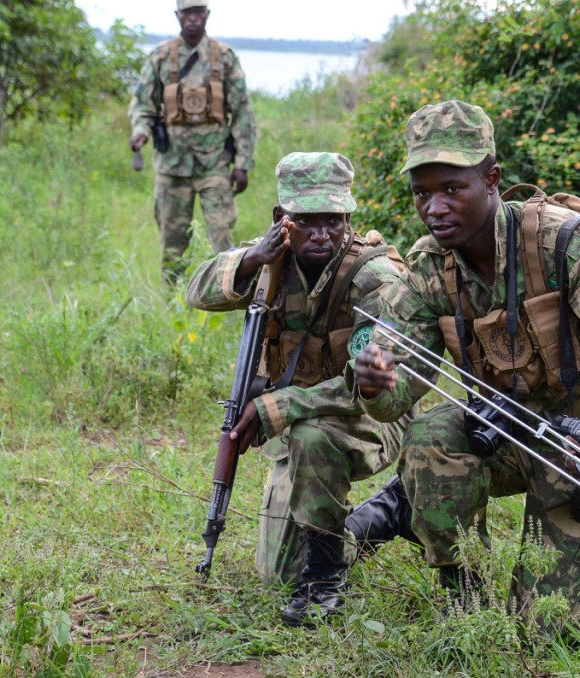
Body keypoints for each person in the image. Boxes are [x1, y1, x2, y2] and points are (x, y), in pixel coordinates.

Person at [349, 100, 580, 639]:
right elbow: (398, 390)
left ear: (491, 179)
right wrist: (375, 385)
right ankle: (462, 592)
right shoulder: (428, 271)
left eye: (452, 189)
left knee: (550, 632)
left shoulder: (571, 246)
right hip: (510, 432)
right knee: (428, 436)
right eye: (422, 193)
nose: (434, 207)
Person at [186, 152, 412, 627]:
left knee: (313, 439)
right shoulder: (272, 262)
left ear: (348, 217)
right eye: (306, 221)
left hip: (373, 416)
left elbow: (371, 382)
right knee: (279, 574)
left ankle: (358, 545)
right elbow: (196, 291)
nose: (321, 233)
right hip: (300, 423)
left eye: (333, 220)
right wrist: (252, 258)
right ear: (281, 220)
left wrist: (278, 405)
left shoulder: (375, 277)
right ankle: (382, 516)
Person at [128, 0, 257, 280]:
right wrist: (140, 130)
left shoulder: (224, 57)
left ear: (207, 15)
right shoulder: (161, 57)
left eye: (199, 12)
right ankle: (174, 300)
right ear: (178, 16)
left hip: (214, 163)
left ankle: (227, 292)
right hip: (172, 166)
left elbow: (243, 112)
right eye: (187, 13)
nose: (193, 19)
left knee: (222, 236)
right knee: (173, 240)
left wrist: (243, 163)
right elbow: (143, 104)